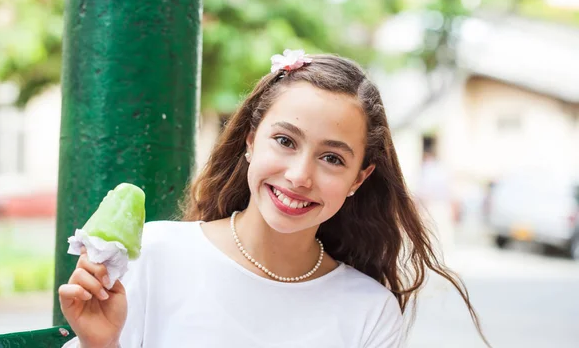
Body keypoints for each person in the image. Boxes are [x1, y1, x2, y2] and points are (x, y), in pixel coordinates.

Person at [59, 50, 490, 348]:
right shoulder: (153, 255)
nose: (300, 175)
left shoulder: (368, 311)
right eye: (285, 140)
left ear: (361, 178)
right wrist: (102, 343)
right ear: (250, 140)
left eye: (332, 158)